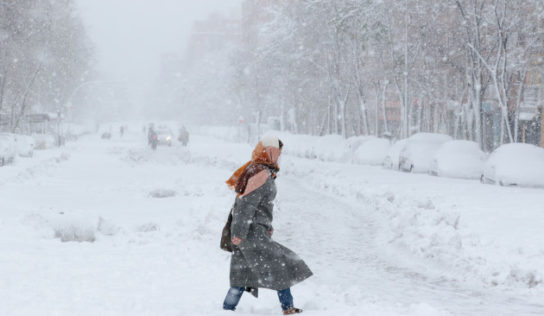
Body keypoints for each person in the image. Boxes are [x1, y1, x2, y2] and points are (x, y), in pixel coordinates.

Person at [223, 136, 313, 315]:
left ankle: (227, 309)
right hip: (250, 233)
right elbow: (245, 205)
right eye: (276, 152)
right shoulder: (260, 173)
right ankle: (287, 307)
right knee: (280, 264)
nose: (278, 156)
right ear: (268, 151)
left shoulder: (260, 169)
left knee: (242, 273)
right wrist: (240, 232)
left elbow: (259, 205)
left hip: (253, 229)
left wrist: (266, 225)